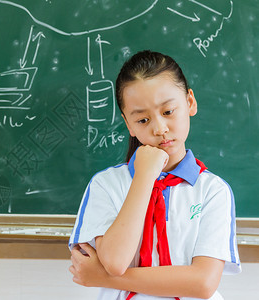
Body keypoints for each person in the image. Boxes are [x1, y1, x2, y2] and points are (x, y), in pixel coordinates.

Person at [68, 50, 241, 300]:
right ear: (128, 124)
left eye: (168, 111)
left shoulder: (213, 190)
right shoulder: (106, 185)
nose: (159, 128)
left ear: (190, 102)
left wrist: (101, 277)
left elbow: (203, 283)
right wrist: (145, 176)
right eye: (143, 120)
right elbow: (115, 261)